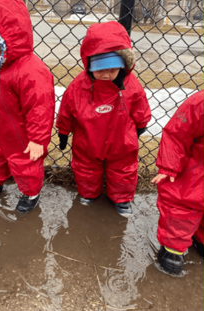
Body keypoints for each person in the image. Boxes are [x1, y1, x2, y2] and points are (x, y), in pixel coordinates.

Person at [0, 0, 55, 214]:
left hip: (23, 136)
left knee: (25, 165)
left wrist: (37, 140)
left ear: (3, 39)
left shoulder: (32, 71)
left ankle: (30, 192)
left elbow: (41, 109)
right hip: (1, 128)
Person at [56, 21, 151, 217]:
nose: (107, 75)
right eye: (100, 69)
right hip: (88, 141)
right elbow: (66, 110)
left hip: (121, 142)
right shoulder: (78, 86)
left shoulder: (131, 85)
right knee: (86, 169)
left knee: (123, 171)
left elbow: (141, 107)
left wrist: (141, 125)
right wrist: (63, 132)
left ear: (123, 65)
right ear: (89, 64)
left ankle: (122, 198)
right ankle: (89, 193)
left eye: (113, 69)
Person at [152, 90, 204, 274]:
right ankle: (173, 249)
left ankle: (202, 240)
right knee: (181, 210)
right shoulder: (200, 102)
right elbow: (177, 135)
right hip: (196, 173)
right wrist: (169, 165)